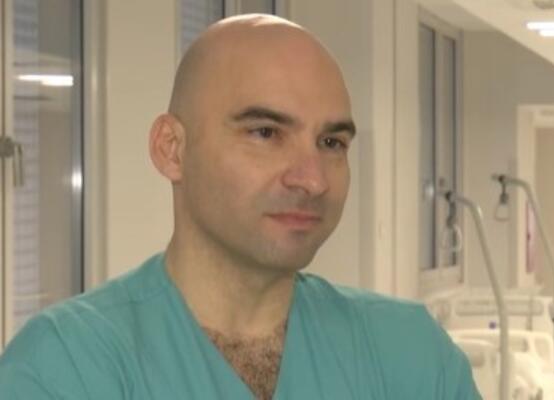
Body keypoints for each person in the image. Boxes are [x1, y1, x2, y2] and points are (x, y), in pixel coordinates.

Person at [0, 14, 481, 399]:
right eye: (266, 133)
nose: (312, 179)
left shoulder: (409, 353)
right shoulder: (68, 365)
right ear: (172, 149)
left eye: (331, 142)